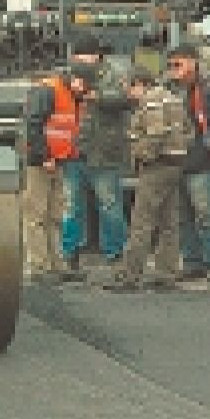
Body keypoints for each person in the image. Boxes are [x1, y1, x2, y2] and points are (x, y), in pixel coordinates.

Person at [105, 70, 193, 291]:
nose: (128, 94)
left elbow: (156, 133)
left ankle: (130, 275)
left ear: (139, 84)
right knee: (168, 222)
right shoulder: (173, 99)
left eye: (129, 88)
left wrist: (143, 155)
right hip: (175, 164)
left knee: (141, 221)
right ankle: (166, 273)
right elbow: (188, 131)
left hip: (157, 166)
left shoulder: (152, 100)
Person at [165, 44, 210, 283]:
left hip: (205, 159)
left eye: (178, 64)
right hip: (178, 157)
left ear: (193, 61)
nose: (174, 70)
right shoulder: (172, 88)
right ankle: (192, 262)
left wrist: (206, 146)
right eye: (171, 65)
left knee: (205, 213)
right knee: (184, 214)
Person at [66, 33, 132, 272]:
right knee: (72, 207)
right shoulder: (68, 75)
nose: (81, 61)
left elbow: (127, 99)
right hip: (74, 151)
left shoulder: (113, 74)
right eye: (77, 57)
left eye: (85, 56)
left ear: (96, 56)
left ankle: (115, 253)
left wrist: (98, 96)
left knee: (109, 204)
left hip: (102, 151)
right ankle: (70, 253)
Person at [22, 71, 66, 283]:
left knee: (54, 215)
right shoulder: (46, 92)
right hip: (43, 163)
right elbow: (33, 125)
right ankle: (39, 266)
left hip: (58, 160)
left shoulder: (64, 93)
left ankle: (55, 263)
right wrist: (44, 156)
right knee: (37, 215)